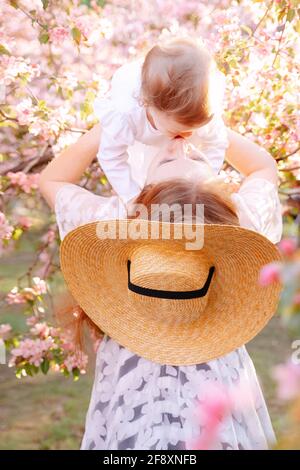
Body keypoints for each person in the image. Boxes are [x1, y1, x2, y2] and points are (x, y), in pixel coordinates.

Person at [39, 125, 282, 450]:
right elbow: (263, 168)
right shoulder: (238, 223)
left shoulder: (118, 221)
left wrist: (114, 124)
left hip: (131, 366)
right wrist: (205, 128)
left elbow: (52, 180)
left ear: (146, 190)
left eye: (186, 153)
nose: (178, 145)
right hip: (215, 352)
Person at [93, 37, 276, 205]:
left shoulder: (203, 112)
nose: (185, 136)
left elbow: (216, 144)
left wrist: (205, 178)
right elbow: (111, 157)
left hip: (186, 158)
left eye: (193, 129)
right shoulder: (127, 116)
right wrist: (132, 196)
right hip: (143, 149)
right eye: (177, 131)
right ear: (147, 105)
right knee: (147, 182)